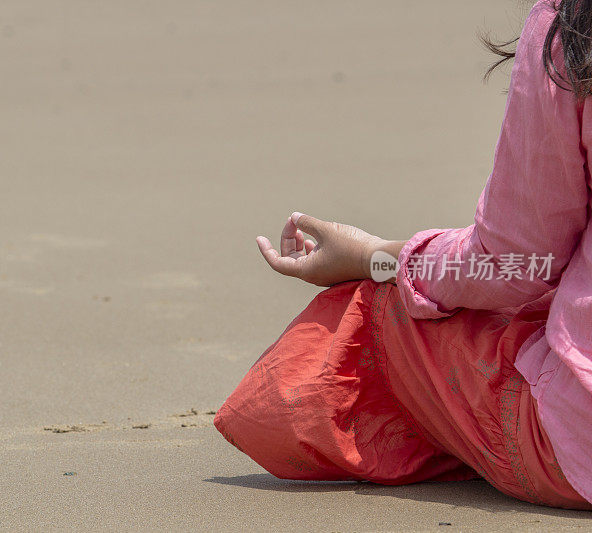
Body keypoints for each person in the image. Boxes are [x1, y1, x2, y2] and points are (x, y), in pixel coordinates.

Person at [213, 0, 592, 509]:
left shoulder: (572, 25)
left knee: (380, 310)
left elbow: (512, 265)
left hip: (577, 450)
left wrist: (374, 257)